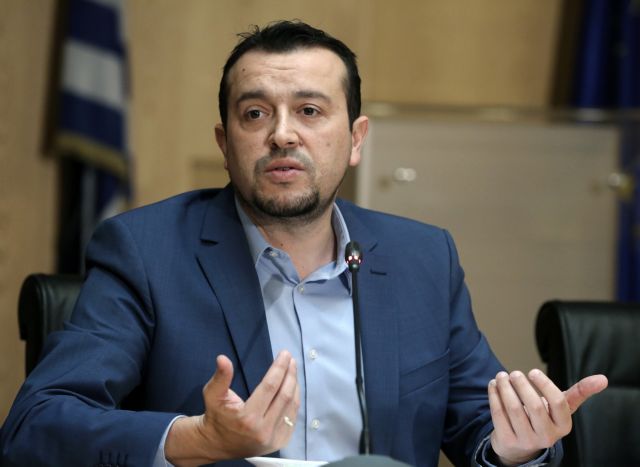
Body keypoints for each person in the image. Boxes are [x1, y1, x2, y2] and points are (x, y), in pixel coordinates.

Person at [0, 20, 607, 467]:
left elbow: (482, 430)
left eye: (310, 111)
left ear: (356, 138)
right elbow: (34, 426)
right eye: (255, 114)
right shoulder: (145, 251)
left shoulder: (423, 259)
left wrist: (517, 446)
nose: (283, 135)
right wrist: (196, 440)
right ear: (224, 141)